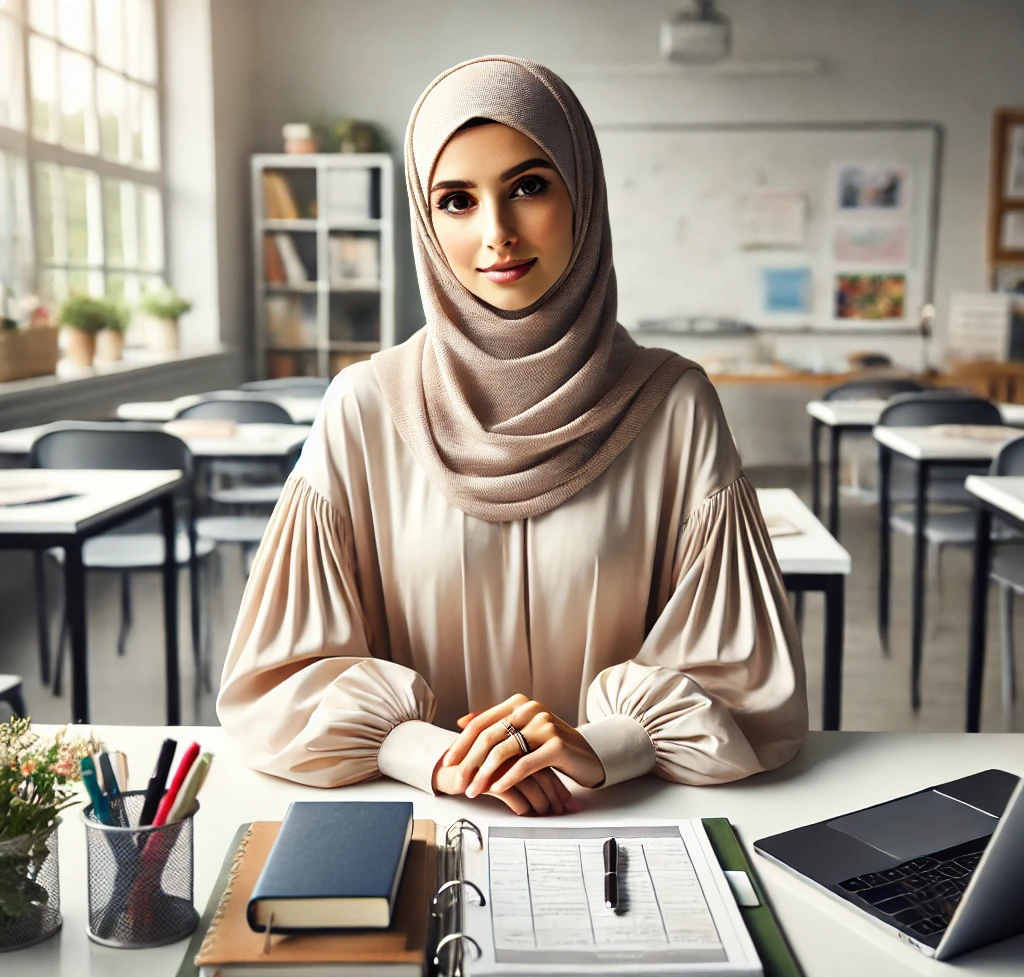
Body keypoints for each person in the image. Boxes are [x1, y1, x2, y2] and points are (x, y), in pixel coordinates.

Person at [218, 55, 807, 816]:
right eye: (456, 201)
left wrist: (608, 746)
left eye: (529, 187)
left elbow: (745, 682)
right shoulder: (362, 407)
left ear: (582, 193)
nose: (496, 234)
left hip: (621, 819)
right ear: (425, 225)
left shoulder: (674, 404)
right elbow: (277, 683)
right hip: (419, 818)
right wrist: (436, 755)